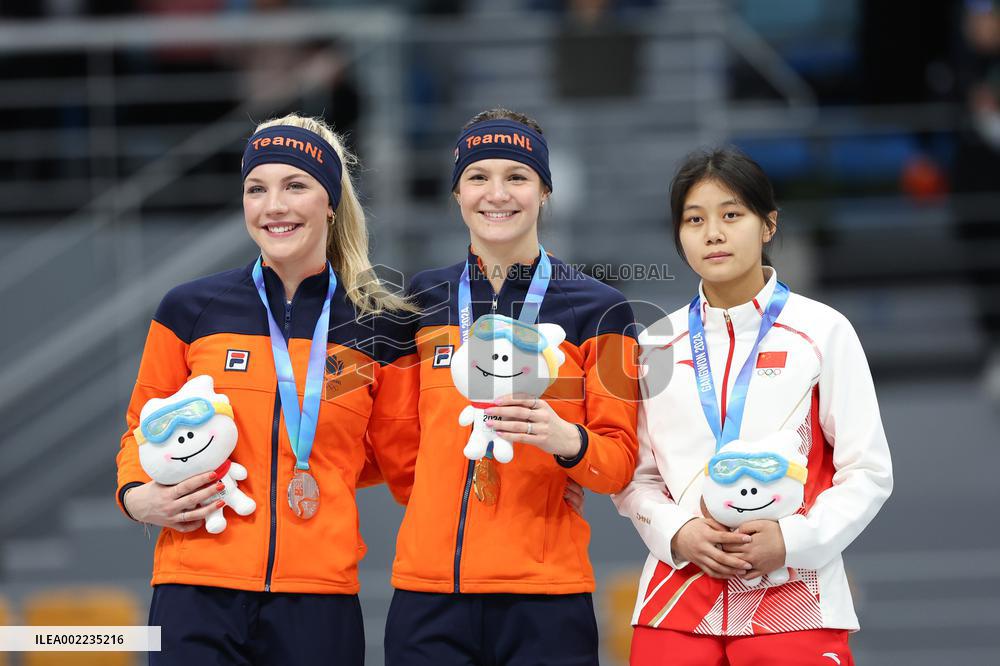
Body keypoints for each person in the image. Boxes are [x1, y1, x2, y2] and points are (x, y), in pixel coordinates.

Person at [114, 113, 418, 665]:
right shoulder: (191, 309)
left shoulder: (378, 327)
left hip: (318, 598)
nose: (273, 206)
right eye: (257, 189)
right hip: (196, 589)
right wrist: (137, 496)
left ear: (330, 202)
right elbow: (141, 427)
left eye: (294, 186)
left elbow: (404, 459)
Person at [613, 147, 893, 665]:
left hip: (794, 597)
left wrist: (792, 539)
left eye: (731, 215)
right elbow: (635, 477)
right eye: (694, 220)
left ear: (768, 225)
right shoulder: (655, 345)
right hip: (676, 600)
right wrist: (678, 532)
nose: (713, 234)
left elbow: (868, 470)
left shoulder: (822, 332)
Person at [382, 107, 640, 666]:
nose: (496, 194)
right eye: (478, 176)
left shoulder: (602, 308)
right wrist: (443, 494)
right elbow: (398, 445)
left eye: (517, 176)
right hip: (429, 594)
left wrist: (565, 442)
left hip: (546, 597)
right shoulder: (419, 301)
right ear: (457, 192)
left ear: (545, 191)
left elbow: (618, 462)